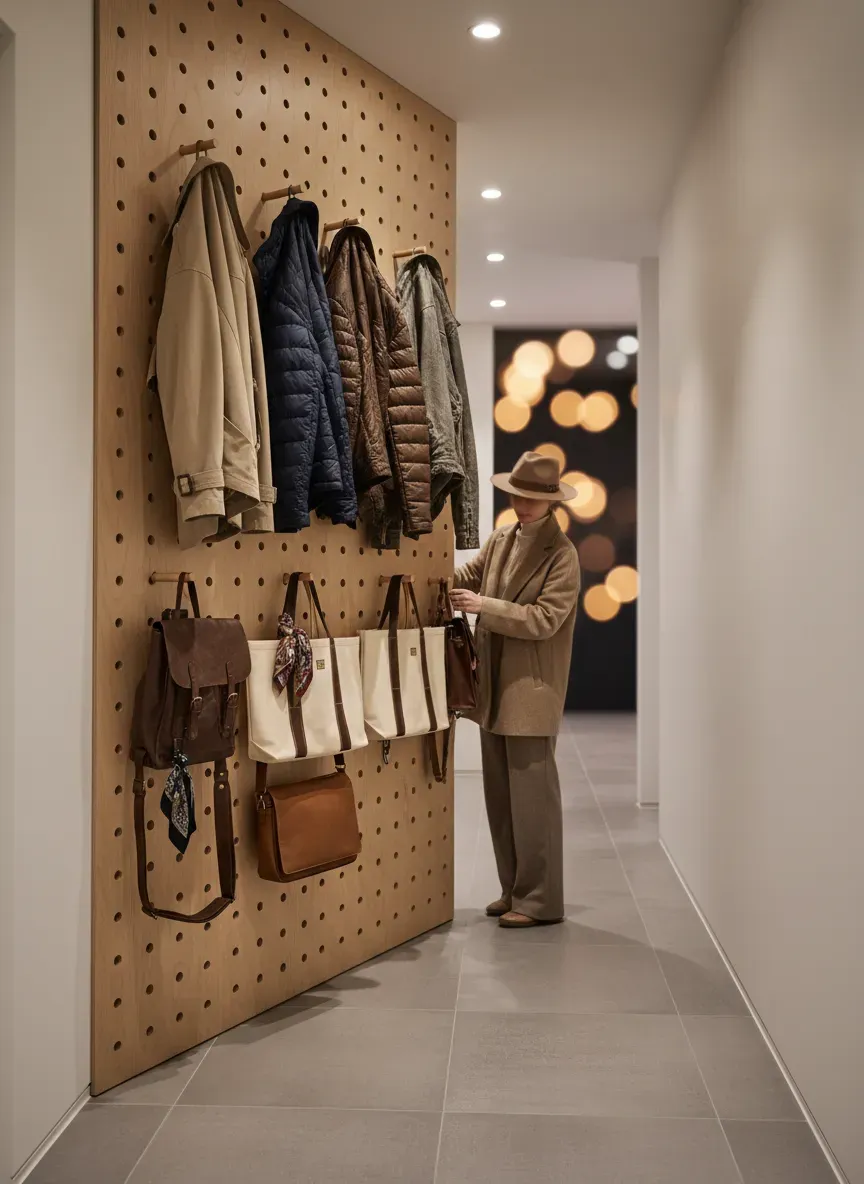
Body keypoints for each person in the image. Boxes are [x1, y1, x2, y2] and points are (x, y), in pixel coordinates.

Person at [450, 451, 581, 928]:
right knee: (501, 797)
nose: (521, 504)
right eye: (516, 494)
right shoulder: (503, 538)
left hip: (531, 689)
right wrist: (430, 576)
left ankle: (541, 899)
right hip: (495, 684)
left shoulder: (562, 555)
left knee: (533, 801)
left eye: (530, 498)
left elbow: (544, 620)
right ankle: (514, 889)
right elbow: (470, 576)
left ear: (550, 502)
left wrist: (484, 605)